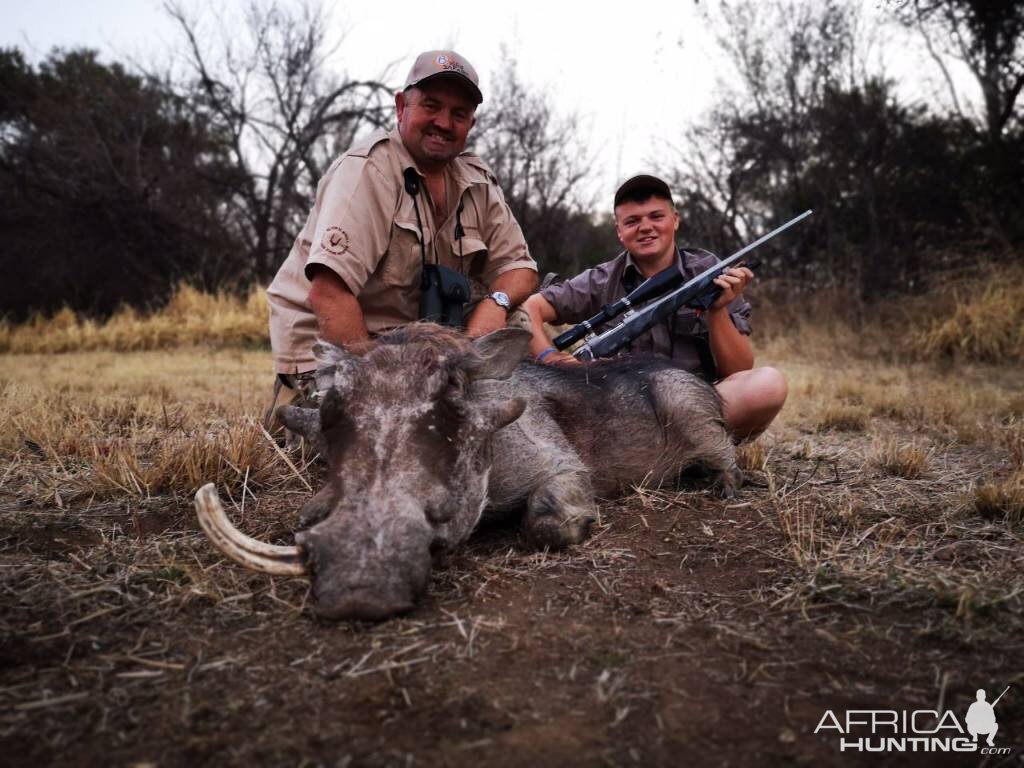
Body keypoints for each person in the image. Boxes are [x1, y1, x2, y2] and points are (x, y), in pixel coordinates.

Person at [266, 50, 538, 404]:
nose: (443, 122)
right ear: (401, 106)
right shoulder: (368, 170)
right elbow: (328, 294)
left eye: (459, 114)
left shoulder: (478, 180)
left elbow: (520, 270)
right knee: (382, 437)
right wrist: (381, 392)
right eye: (431, 105)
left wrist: (496, 303)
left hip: (420, 348)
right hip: (345, 344)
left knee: (515, 318)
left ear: (470, 125)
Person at [522, 174, 787, 441]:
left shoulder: (710, 271)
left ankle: (674, 452)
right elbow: (529, 309)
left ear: (675, 219)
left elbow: (737, 370)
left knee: (768, 384)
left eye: (656, 216)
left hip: (693, 409)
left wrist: (718, 310)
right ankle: (679, 456)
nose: (645, 227)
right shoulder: (600, 280)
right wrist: (550, 357)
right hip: (618, 413)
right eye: (632, 221)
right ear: (619, 231)